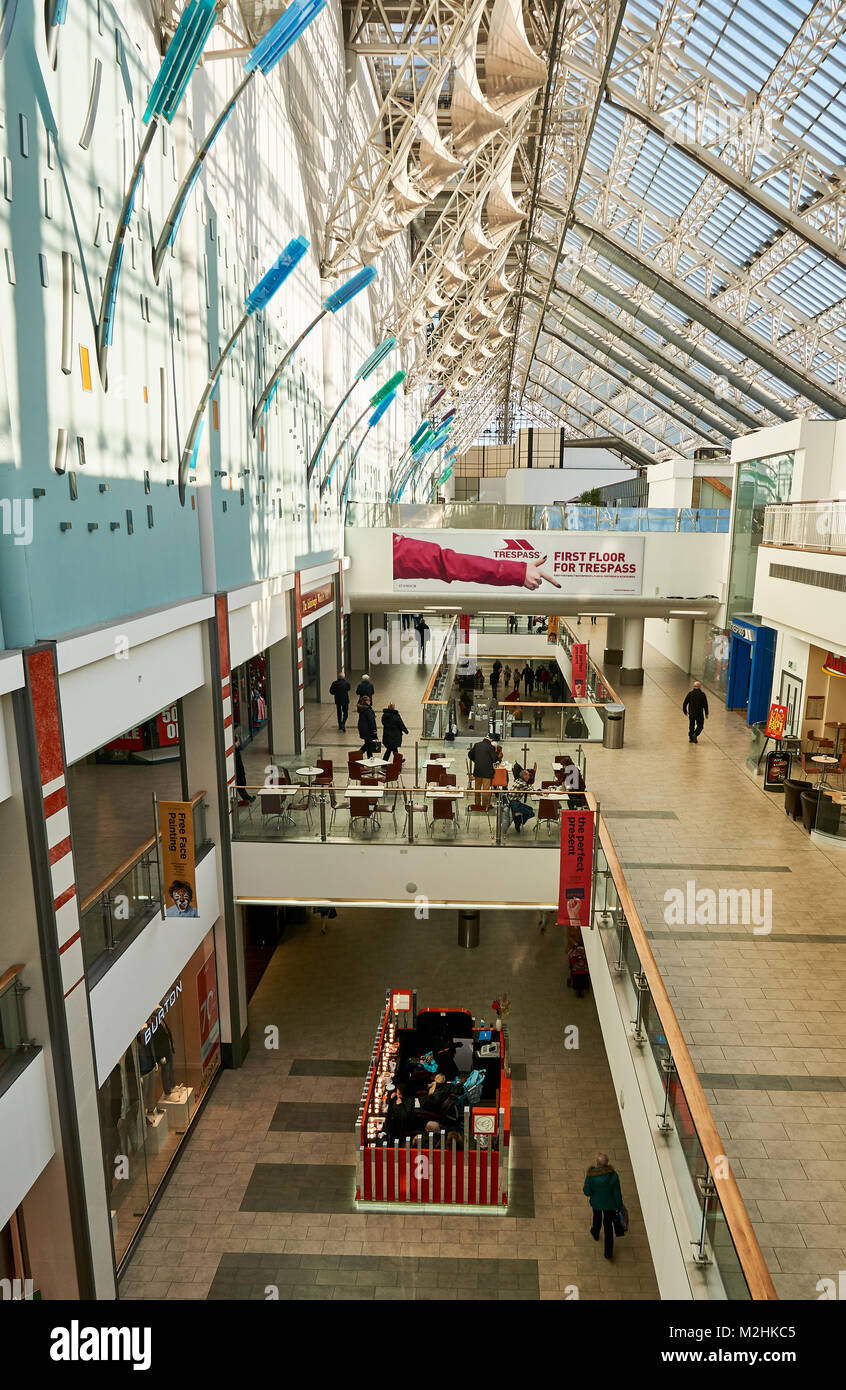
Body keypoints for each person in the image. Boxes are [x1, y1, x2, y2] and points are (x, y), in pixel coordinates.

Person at [393, 532, 562, 591]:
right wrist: (516, 572)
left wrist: (517, 572)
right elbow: (447, 563)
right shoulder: (389, 549)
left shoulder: (387, 548)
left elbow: (445, 562)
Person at [583, 1153, 625, 1259]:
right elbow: (617, 1193)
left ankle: (595, 1232)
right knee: (608, 1227)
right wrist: (620, 1206)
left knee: (596, 1218)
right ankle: (608, 1253)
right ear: (607, 1163)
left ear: (597, 1163)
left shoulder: (591, 1175)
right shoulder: (613, 1176)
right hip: (610, 1205)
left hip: (596, 1203)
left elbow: (587, 1191)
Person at [468, 733, 499, 807]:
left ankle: (477, 805)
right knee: (485, 790)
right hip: (487, 772)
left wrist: (477, 760)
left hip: (477, 770)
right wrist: (495, 750)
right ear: (491, 739)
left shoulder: (477, 745)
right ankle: (485, 806)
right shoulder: (490, 747)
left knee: (477, 789)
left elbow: (470, 754)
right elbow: (494, 759)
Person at [234, 734, 254, 806]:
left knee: (241, 788)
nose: (238, 742)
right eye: (237, 741)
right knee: (241, 787)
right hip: (239, 772)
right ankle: (247, 799)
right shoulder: (235, 752)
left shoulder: (236, 750)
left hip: (240, 771)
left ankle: (248, 799)